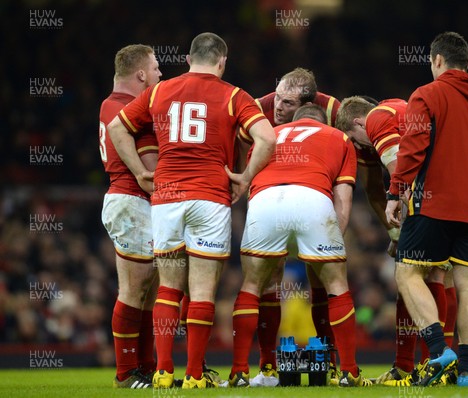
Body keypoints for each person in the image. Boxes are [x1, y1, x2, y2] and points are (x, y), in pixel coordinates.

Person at [108, 32, 276, 389]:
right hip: (209, 197)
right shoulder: (234, 95)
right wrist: (245, 177)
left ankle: (163, 372)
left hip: (166, 198)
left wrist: (140, 171)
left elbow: (116, 127)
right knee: (201, 290)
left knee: (167, 287)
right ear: (222, 61)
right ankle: (195, 375)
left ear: (187, 59)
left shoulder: (158, 91)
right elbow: (268, 139)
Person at [385, 31, 468, 387]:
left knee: (407, 274)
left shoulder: (426, 95)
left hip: (432, 206)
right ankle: (465, 371)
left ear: (437, 61)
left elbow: (412, 148)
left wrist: (395, 192)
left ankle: (438, 350)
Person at [227, 104, 371, 387]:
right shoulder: (338, 138)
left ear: (293, 121)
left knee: (253, 285)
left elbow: (251, 184)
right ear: (324, 121)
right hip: (312, 198)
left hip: (265, 201)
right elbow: (343, 198)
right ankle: (349, 372)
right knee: (336, 286)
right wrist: (331, 245)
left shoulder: (269, 133)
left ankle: (240, 371)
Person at [237, 68, 342, 387]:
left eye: (287, 102)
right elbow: (241, 152)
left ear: (307, 105)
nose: (278, 107)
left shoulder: (331, 111)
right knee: (271, 277)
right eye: (277, 97)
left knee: (313, 276)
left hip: (295, 195)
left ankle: (331, 363)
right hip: (280, 196)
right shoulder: (257, 109)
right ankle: (267, 367)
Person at [337, 95, 451, 384]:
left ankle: (430, 362)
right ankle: (433, 365)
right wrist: (396, 233)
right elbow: (374, 188)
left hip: (429, 195)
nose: (359, 147)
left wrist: (401, 218)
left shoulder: (378, 120)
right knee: (434, 275)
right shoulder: (400, 110)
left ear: (358, 122)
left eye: (354, 139)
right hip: (452, 186)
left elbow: (398, 170)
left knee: (418, 273)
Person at [99, 44, 161, 389]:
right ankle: (125, 374)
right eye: (155, 69)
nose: (159, 74)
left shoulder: (118, 105)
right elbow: (140, 158)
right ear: (140, 74)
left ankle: (147, 369)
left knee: (148, 293)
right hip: (130, 200)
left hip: (136, 201)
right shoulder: (119, 107)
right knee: (133, 290)